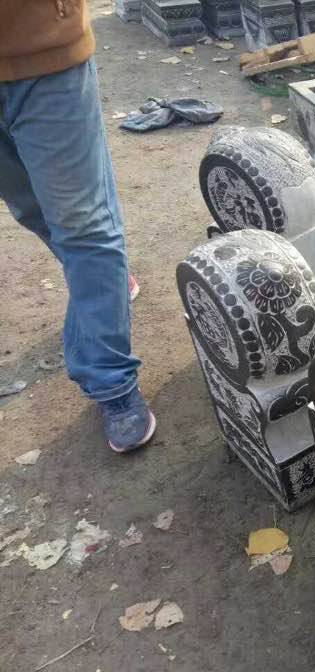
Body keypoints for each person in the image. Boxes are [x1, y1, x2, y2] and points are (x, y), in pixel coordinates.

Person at [0, 0, 155, 452]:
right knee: (30, 209)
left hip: (43, 52)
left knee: (84, 227)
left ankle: (112, 383)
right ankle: (107, 283)